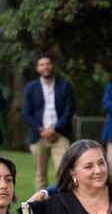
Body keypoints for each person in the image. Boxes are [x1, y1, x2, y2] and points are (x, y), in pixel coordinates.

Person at [22, 53, 75, 190]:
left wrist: (54, 129)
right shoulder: (31, 87)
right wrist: (42, 130)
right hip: (38, 136)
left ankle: (64, 204)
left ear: (53, 66)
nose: (45, 67)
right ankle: (40, 207)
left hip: (61, 135)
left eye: (48, 63)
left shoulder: (65, 85)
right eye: (42, 64)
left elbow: (69, 111)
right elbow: (27, 114)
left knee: (65, 173)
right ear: (37, 68)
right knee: (40, 176)